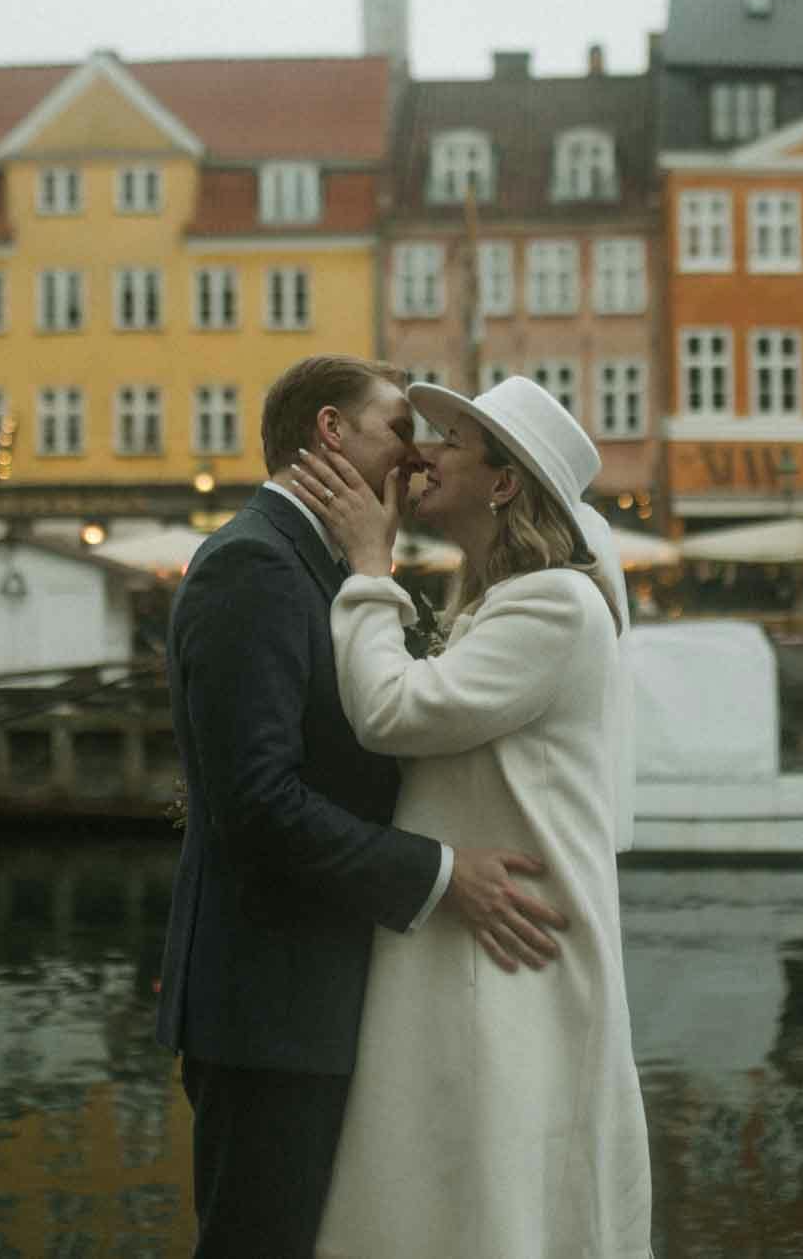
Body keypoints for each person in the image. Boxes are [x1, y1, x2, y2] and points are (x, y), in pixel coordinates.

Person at [154, 355, 571, 1259]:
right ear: (331, 432)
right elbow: (257, 803)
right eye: (399, 430)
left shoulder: (319, 562)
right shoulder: (254, 565)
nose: (417, 457)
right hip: (272, 1007)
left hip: (315, 998)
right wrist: (442, 874)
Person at [289, 375, 655, 1259]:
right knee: (469, 1181)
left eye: (452, 441)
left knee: (491, 1183)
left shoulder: (554, 603)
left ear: (504, 481)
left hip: (511, 954)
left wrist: (369, 570)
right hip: (486, 938)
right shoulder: (504, 602)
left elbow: (393, 711)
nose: (424, 454)